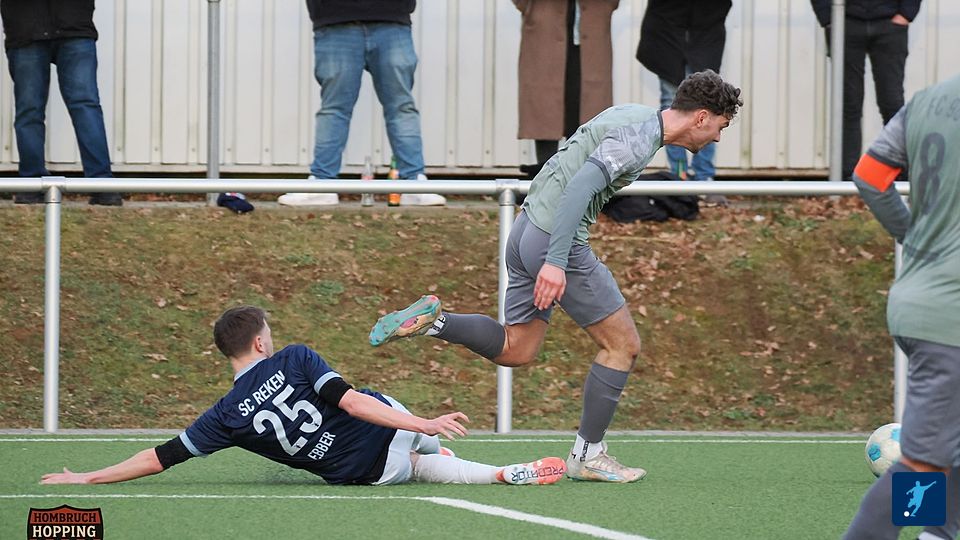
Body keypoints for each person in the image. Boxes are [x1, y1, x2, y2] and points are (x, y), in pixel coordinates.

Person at [370, 70, 742, 483]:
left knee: (516, 348)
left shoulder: (633, 115)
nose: (717, 138)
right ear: (702, 117)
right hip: (553, 240)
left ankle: (436, 322)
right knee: (622, 345)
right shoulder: (639, 138)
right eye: (721, 127)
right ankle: (588, 455)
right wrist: (555, 261)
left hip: (526, 229)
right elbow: (580, 188)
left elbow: (565, 163)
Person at [40, 305, 566, 487]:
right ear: (259, 342)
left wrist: (87, 476)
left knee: (422, 467)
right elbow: (353, 402)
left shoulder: (224, 416)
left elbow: (160, 457)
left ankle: (498, 473)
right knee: (420, 441)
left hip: (362, 470)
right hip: (386, 420)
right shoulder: (293, 358)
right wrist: (423, 422)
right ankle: (446, 449)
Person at [843, 73, 960, 540]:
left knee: (947, 450)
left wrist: (914, 239)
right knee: (923, 463)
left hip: (923, 299)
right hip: (950, 316)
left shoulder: (929, 101)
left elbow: (871, 175)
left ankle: (937, 534)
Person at [278, 0, 444, 207]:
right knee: (338, 109)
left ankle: (414, 185)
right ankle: (322, 184)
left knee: (398, 107)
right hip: (336, 19)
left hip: (389, 18)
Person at [1, 0, 122, 206]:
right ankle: (32, 184)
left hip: (71, 25)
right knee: (32, 110)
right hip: (27, 28)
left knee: (83, 106)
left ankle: (101, 184)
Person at [810, 0, 923, 181]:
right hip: (846, 23)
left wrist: (906, 14)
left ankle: (901, 174)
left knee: (892, 103)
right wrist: (828, 18)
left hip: (889, 25)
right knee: (849, 104)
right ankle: (847, 175)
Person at [636, 0, 732, 206]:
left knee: (709, 106)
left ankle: (704, 179)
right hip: (667, 31)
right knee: (673, 106)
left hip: (706, 31)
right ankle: (678, 178)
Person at [514, 0, 618, 176]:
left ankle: (577, 174)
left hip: (592, 26)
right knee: (544, 105)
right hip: (544, 24)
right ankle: (546, 174)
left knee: (585, 106)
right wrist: (527, 7)